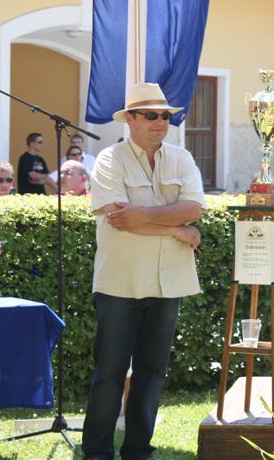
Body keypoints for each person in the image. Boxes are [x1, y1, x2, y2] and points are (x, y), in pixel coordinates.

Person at [81, 83, 204, 460]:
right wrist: (176, 229)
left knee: (152, 372)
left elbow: (194, 209)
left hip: (170, 281)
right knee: (109, 374)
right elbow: (121, 221)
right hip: (120, 281)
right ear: (130, 119)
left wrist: (147, 217)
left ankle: (138, 450)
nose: (160, 122)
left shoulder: (182, 158)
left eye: (165, 115)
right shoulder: (109, 159)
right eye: (151, 115)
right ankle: (97, 453)